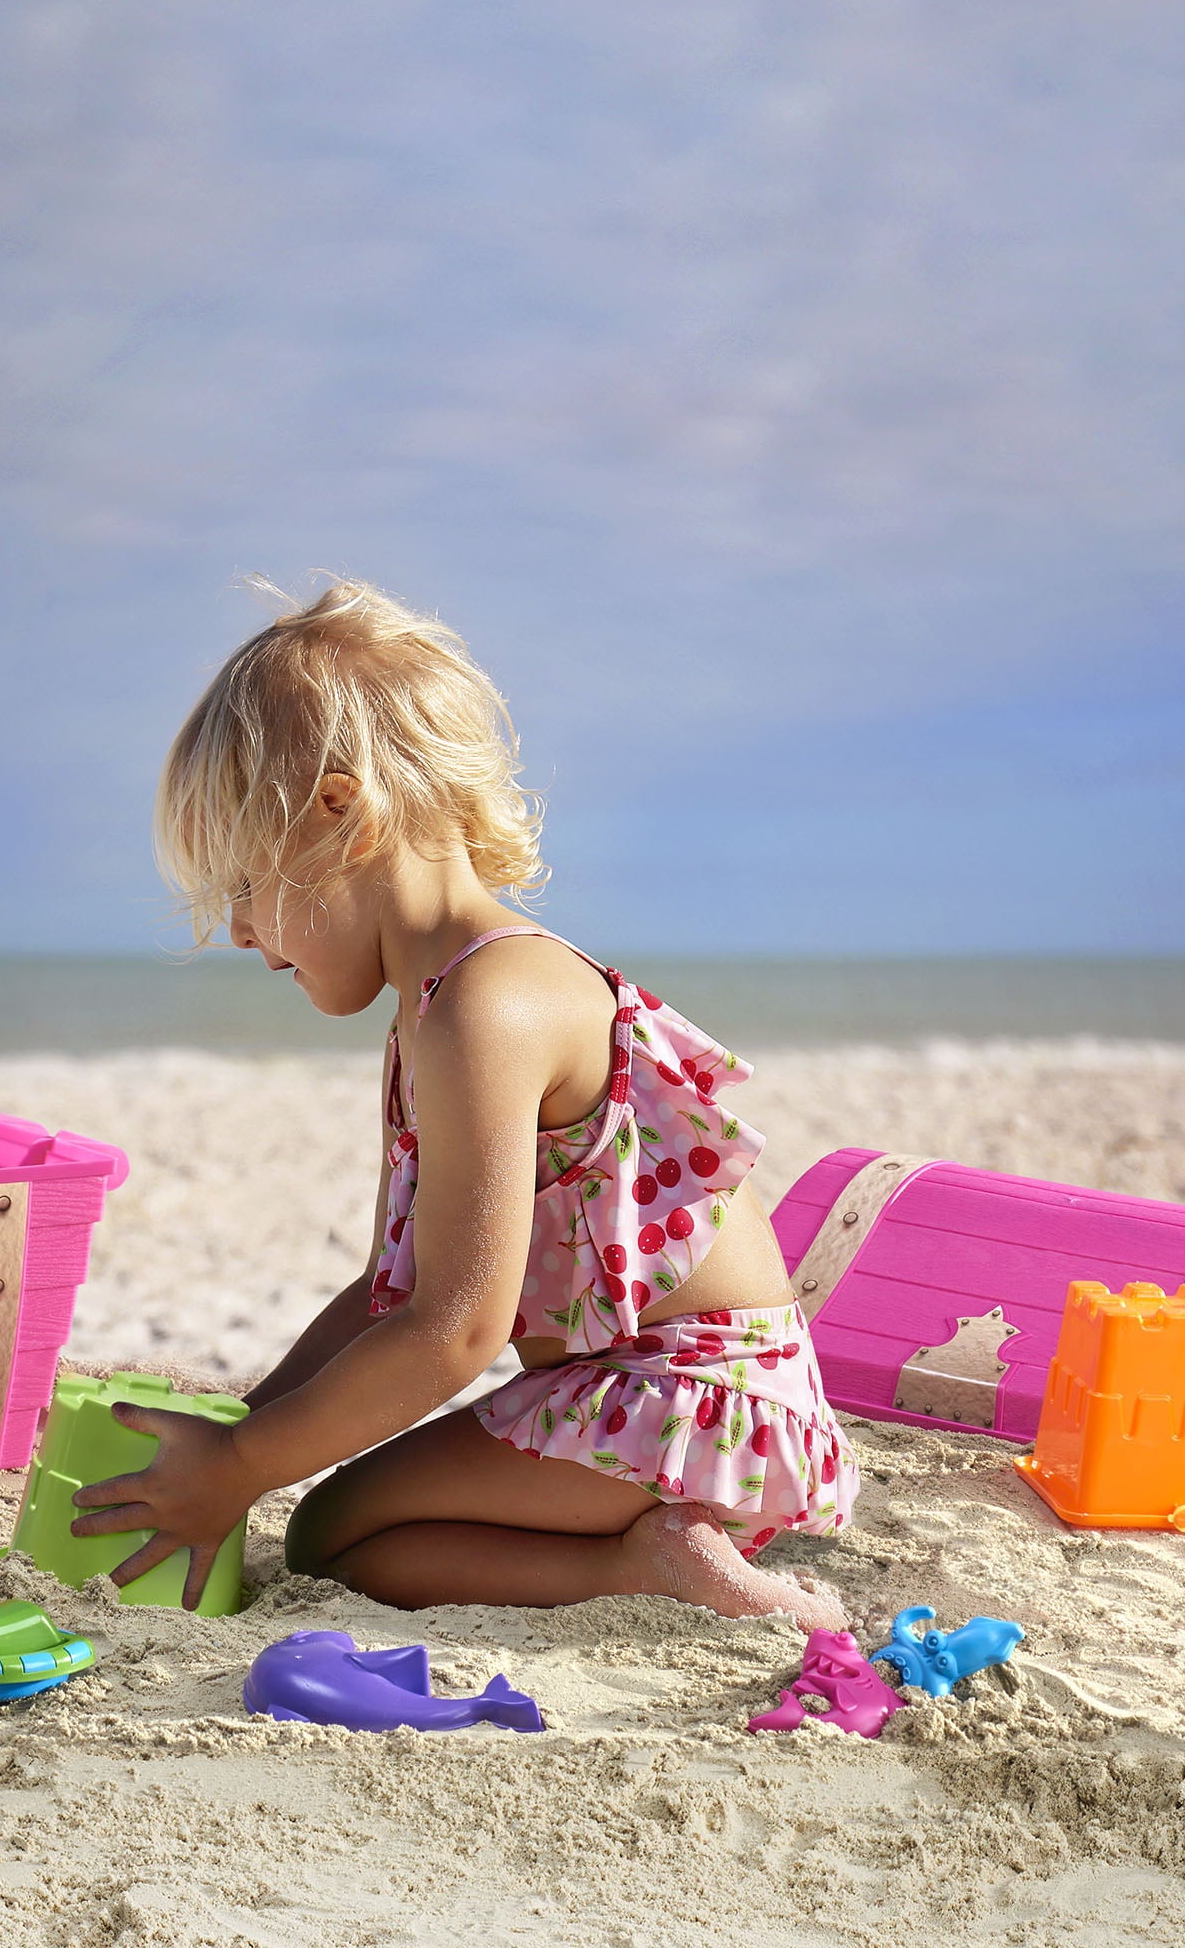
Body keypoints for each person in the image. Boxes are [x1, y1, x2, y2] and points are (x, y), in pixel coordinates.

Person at [71, 580, 855, 1626]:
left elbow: (456, 1331)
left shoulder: (489, 1005)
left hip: (698, 1407)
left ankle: (646, 1567)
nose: (240, 932)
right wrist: (236, 1432)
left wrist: (248, 1465)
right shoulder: (433, 1011)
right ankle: (649, 1545)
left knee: (328, 1535)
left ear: (341, 815)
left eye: (246, 886)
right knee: (339, 1534)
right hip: (634, 1401)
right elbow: (389, 1294)